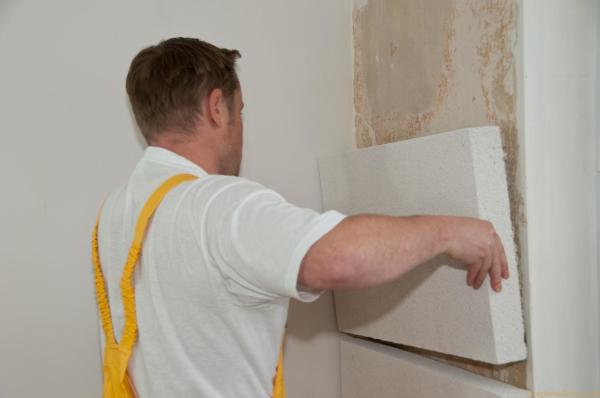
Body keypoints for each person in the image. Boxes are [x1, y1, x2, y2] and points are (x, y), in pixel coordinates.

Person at [95, 37, 509, 397]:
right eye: (240, 111)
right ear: (217, 108)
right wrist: (450, 232)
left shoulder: (116, 214)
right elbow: (340, 258)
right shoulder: (217, 206)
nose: (240, 127)